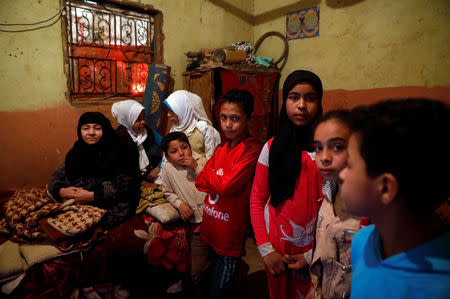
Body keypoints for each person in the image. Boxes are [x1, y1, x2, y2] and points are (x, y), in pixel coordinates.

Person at [339, 99, 450, 298]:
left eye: (350, 164)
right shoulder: (363, 243)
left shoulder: (440, 287)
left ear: (384, 188)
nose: (342, 174)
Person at [250, 70, 324, 298]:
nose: (301, 105)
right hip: (277, 252)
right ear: (285, 102)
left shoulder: (326, 152)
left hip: (315, 253)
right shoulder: (271, 148)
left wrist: (312, 256)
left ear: (319, 103)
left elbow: (335, 211)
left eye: (310, 98)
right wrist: (266, 250)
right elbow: (257, 199)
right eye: (294, 97)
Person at [195, 88, 263, 298]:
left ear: (249, 118)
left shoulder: (252, 149)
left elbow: (224, 186)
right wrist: (218, 178)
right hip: (211, 227)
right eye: (223, 117)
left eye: (235, 118)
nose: (227, 124)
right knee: (205, 281)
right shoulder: (221, 149)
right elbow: (200, 181)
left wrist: (214, 177)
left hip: (229, 236)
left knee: (220, 290)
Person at [303, 110, 360, 299]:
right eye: (318, 148)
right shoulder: (329, 192)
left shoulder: (370, 210)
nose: (324, 157)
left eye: (336, 147)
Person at [47, 112, 137, 229]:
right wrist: (61, 191)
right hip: (78, 202)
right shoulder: (76, 151)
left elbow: (126, 183)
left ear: (104, 130)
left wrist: (93, 195)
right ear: (80, 131)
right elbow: (56, 177)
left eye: (97, 128)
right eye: (86, 128)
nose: (91, 133)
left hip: (108, 204)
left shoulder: (120, 150)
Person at [160, 131, 209, 296]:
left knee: (218, 259)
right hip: (197, 225)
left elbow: (212, 183)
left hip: (215, 219)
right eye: (174, 151)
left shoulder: (202, 159)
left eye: (184, 147)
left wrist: (195, 167)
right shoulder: (167, 168)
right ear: (166, 157)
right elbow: (167, 192)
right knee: (198, 270)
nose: (181, 153)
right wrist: (180, 204)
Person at [111, 99, 163, 182]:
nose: (143, 122)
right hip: (128, 179)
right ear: (127, 120)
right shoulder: (117, 137)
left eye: (143, 117)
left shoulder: (148, 131)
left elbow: (168, 146)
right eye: (138, 119)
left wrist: (159, 167)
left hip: (152, 173)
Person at [164, 90, 221, 160]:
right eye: (168, 111)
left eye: (172, 111)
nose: (168, 115)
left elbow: (213, 162)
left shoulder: (205, 130)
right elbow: (166, 159)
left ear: (184, 110)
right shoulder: (173, 130)